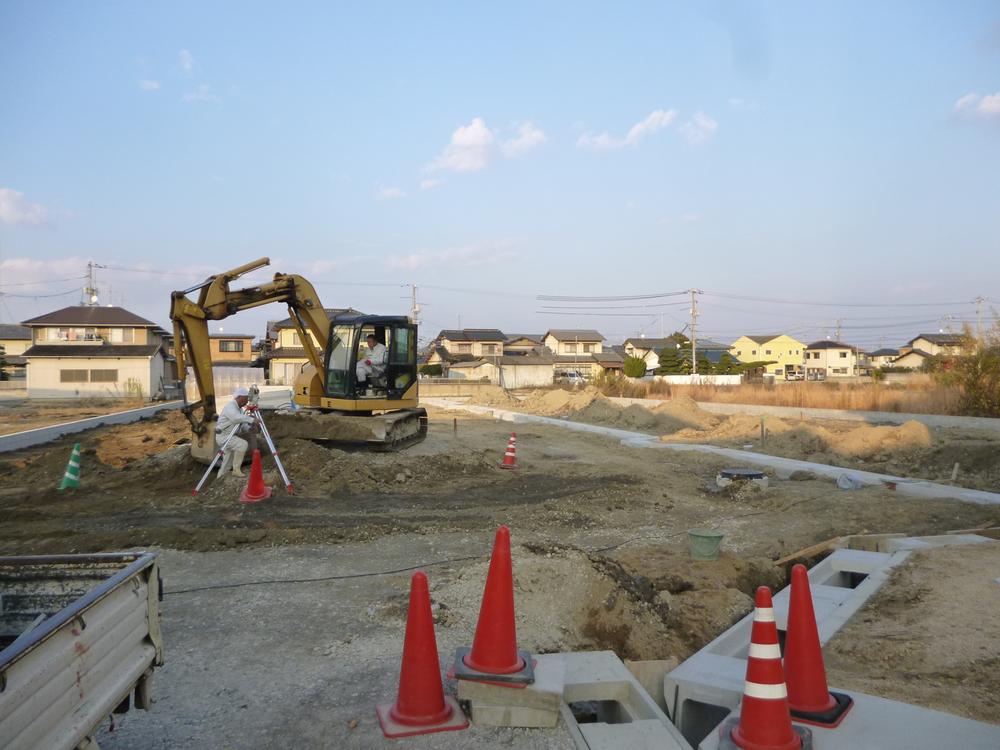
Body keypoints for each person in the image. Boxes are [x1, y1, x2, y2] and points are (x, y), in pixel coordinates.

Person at [216, 387, 257, 477]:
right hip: (224, 436)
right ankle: (236, 470)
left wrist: (249, 428)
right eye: (245, 398)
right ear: (238, 397)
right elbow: (236, 418)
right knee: (242, 445)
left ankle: (220, 478)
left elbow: (241, 424)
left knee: (227, 462)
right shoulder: (230, 406)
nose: (247, 400)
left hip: (229, 436)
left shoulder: (240, 409)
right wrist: (252, 420)